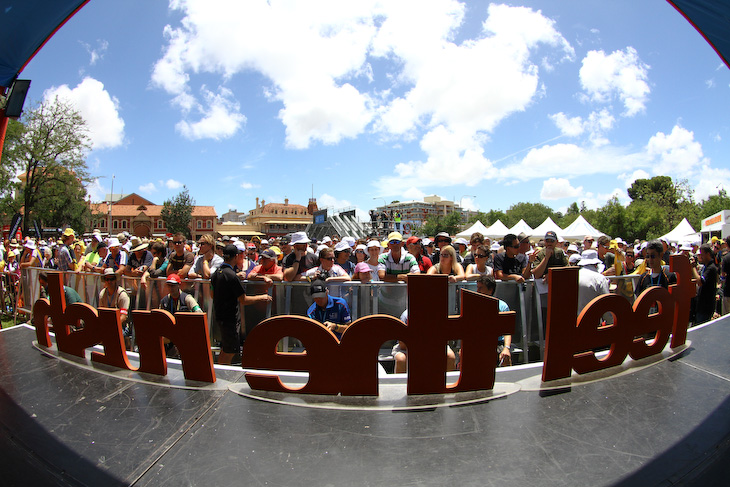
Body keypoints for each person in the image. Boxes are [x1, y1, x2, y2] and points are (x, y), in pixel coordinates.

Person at [211, 244, 272, 365]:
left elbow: (212, 294)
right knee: (230, 351)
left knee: (226, 348)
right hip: (230, 318)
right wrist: (262, 297)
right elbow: (243, 300)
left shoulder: (216, 273)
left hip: (219, 314)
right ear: (236, 257)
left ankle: (220, 371)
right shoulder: (232, 276)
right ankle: (222, 375)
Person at [392, 308, 456, 373]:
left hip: (433, 345)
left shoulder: (437, 313)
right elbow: (402, 344)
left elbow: (444, 339)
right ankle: (401, 382)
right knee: (401, 359)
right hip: (408, 348)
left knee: (450, 356)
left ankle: (447, 382)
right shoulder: (406, 315)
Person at [475, 274, 512, 366]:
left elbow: (507, 330)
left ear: (490, 290)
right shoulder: (474, 306)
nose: (477, 291)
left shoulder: (502, 306)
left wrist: (506, 348)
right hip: (479, 341)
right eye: (477, 288)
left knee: (505, 358)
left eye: (481, 288)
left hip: (497, 343)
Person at [98, 268, 131, 347]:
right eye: (107, 279)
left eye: (112, 279)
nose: (109, 282)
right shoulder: (102, 294)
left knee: (114, 335)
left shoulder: (122, 295)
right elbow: (101, 314)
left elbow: (123, 317)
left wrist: (112, 327)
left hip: (121, 326)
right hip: (107, 325)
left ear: (115, 280)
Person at [576, 249, 610, 316]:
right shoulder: (600, 278)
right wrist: (610, 322)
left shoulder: (574, 275)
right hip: (592, 319)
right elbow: (606, 303)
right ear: (596, 265)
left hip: (574, 319)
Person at [692, 243, 718, 324]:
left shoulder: (711, 268)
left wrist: (693, 267)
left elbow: (700, 282)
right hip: (701, 305)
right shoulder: (706, 267)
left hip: (706, 306)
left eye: (702, 255)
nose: (700, 257)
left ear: (708, 254)